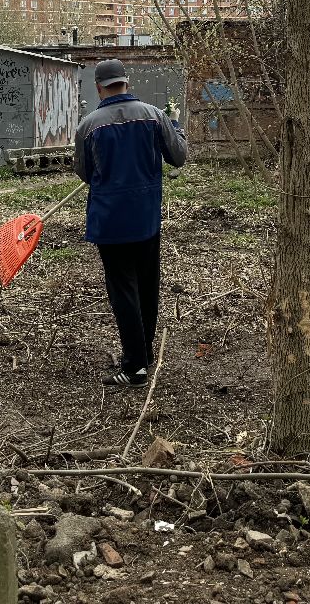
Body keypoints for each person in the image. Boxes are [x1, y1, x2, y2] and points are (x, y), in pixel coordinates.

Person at [73, 58, 187, 388]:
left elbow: (84, 173)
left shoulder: (88, 126)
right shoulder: (154, 117)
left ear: (99, 88)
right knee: (147, 286)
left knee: (123, 290)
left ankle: (135, 367)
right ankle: (144, 354)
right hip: (146, 218)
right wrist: (176, 126)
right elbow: (178, 157)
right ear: (127, 82)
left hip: (110, 222)